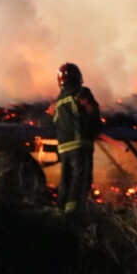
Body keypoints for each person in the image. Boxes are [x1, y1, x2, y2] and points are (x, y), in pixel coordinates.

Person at [50, 62, 101, 215]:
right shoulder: (81, 92)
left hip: (63, 146)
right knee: (81, 178)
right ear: (77, 77)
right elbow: (92, 109)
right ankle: (73, 213)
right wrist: (95, 126)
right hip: (80, 144)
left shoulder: (58, 101)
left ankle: (60, 210)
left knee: (66, 179)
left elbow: (55, 120)